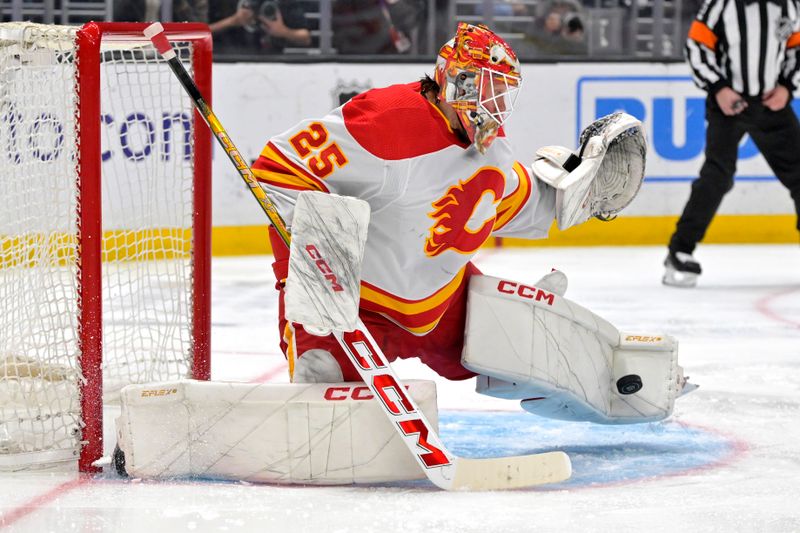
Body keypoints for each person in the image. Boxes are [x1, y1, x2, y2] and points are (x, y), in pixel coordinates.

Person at [252, 23, 686, 426]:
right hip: (356, 312)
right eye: (484, 88)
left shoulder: (490, 151)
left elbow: (518, 203)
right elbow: (279, 167)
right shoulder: (388, 119)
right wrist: (319, 259)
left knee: (521, 345)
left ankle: (622, 385)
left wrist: (576, 193)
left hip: (441, 306)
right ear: (451, 80)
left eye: (502, 93)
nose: (492, 106)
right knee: (320, 378)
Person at [664, 0, 800, 287]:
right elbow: (697, 47)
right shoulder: (722, 4)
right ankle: (680, 250)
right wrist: (719, 88)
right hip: (729, 105)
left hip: (771, 104)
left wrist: (787, 87)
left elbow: (796, 48)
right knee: (717, 176)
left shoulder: (789, 5)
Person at [209, 0, 310, 55]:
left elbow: (305, 38)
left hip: (273, 64)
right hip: (227, 63)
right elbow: (197, 35)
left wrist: (283, 32)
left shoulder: (284, 2)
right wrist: (231, 22)